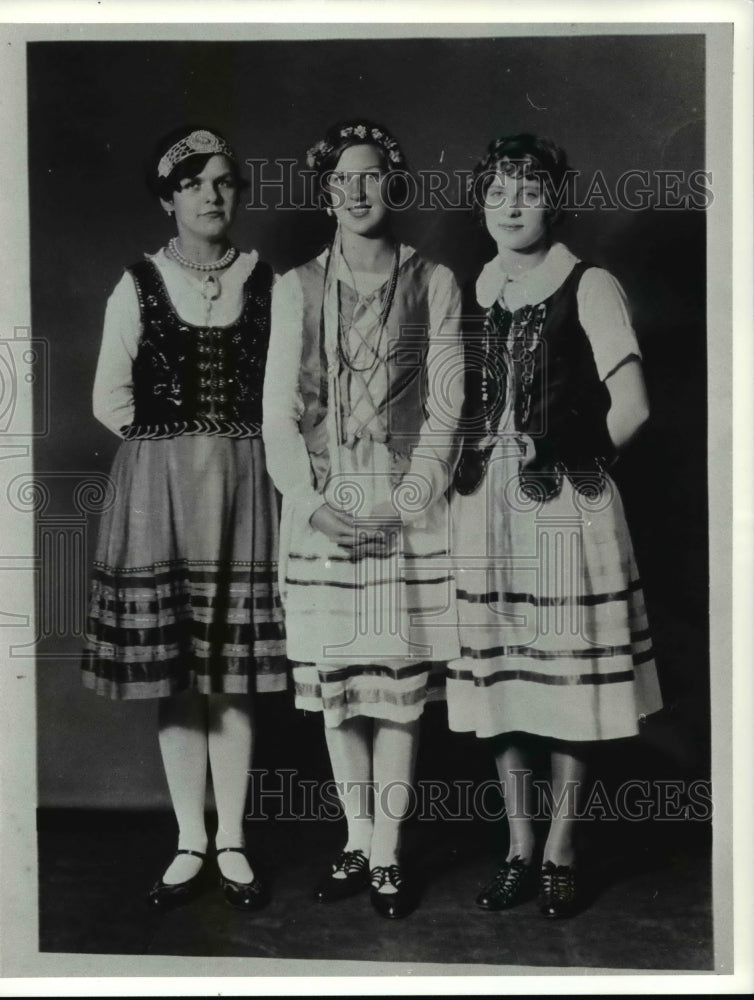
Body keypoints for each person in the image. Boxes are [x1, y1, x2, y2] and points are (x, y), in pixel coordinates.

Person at [448, 133, 663, 918]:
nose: (511, 205)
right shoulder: (479, 286)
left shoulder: (589, 283)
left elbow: (632, 408)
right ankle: (518, 846)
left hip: (563, 506)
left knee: (569, 679)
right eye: (498, 190)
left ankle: (563, 848)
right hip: (483, 507)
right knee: (503, 678)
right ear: (481, 203)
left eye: (529, 190)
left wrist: (572, 456)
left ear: (554, 200)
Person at [82, 126, 288, 911]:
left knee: (232, 674)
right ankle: (189, 839)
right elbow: (110, 398)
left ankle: (231, 838)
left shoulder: (267, 280)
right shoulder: (137, 282)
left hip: (244, 485)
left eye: (226, 182)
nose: (213, 195)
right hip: (162, 490)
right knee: (178, 672)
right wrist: (168, 456)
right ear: (169, 198)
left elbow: (287, 394)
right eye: (196, 183)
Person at [262, 120, 463, 919]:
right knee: (338, 683)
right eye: (342, 180)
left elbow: (447, 409)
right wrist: (312, 510)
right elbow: (277, 416)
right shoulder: (295, 288)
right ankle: (355, 835)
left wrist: (404, 500)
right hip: (324, 506)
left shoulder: (435, 282)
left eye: (372, 175)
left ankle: (388, 852)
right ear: (325, 193)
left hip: (406, 501)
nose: (357, 191)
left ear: (394, 183)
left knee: (396, 684)